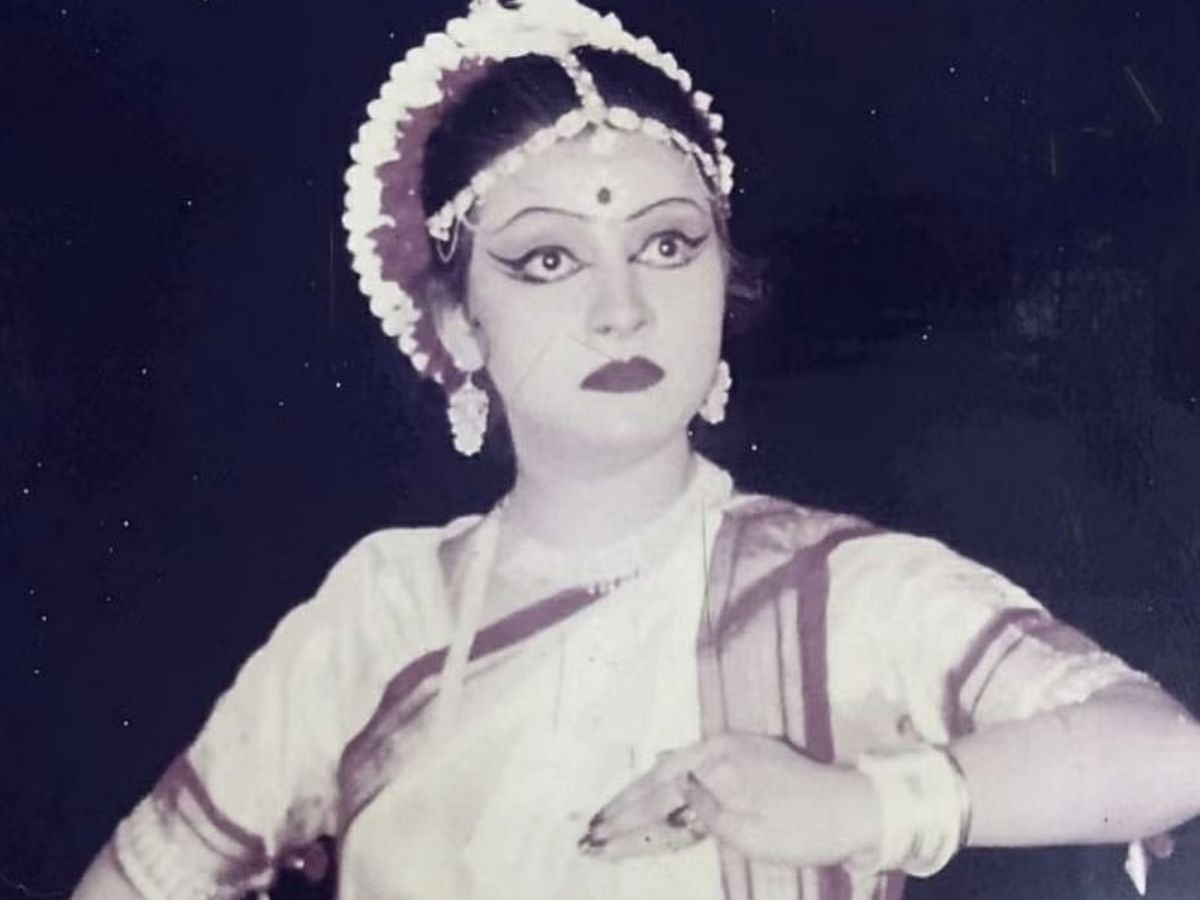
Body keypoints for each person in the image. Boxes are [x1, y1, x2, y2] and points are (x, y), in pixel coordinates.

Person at [71, 1, 1200, 898]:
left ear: (723, 278)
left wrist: (866, 805)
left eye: (666, 243)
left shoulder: (842, 590)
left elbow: (1166, 755)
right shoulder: (381, 611)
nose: (623, 309)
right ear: (460, 323)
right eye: (549, 261)